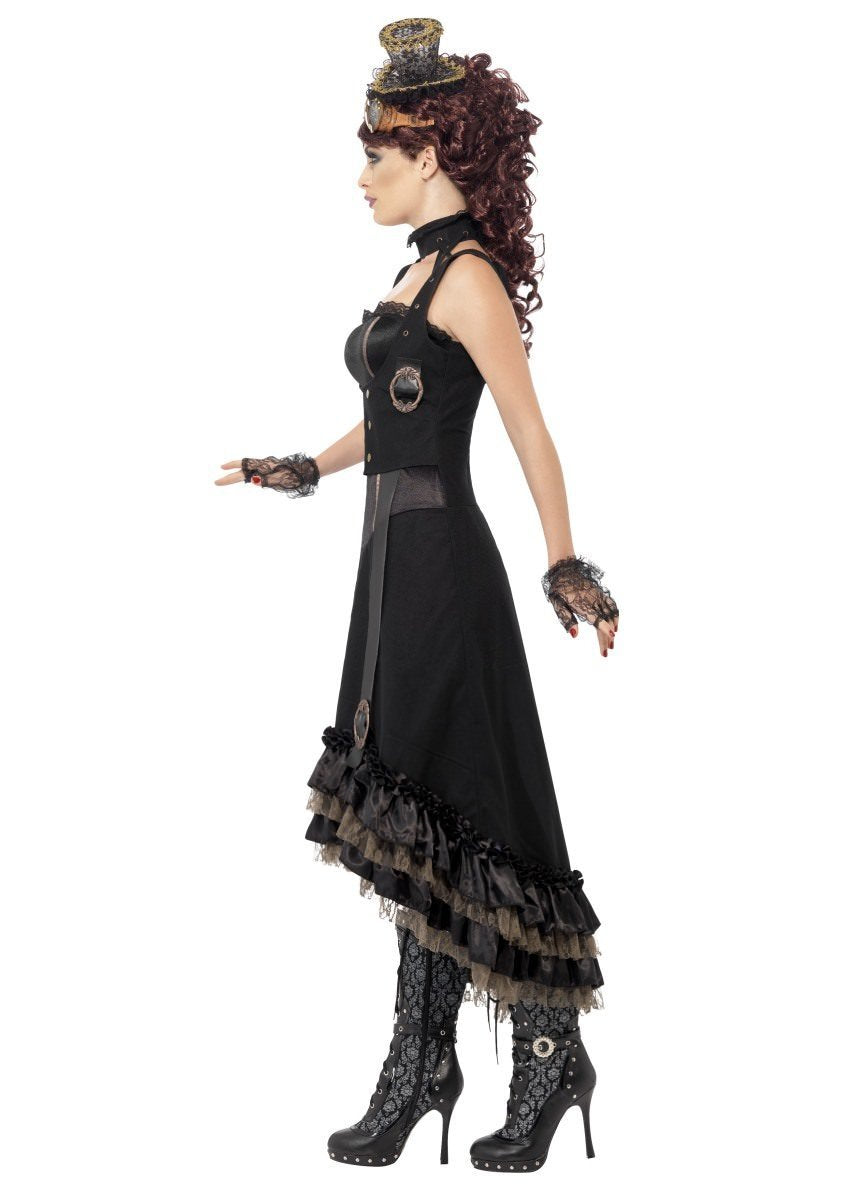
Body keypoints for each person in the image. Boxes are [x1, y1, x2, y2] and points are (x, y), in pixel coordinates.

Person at [214, 16, 619, 1173]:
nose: (362, 178)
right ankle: (426, 1061)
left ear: (430, 153)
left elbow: (529, 431)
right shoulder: (413, 273)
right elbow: (390, 425)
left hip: (444, 572)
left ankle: (544, 1056)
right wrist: (304, 464)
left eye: (377, 157)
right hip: (390, 569)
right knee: (418, 810)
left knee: (468, 800)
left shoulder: (469, 277)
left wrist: (566, 564)